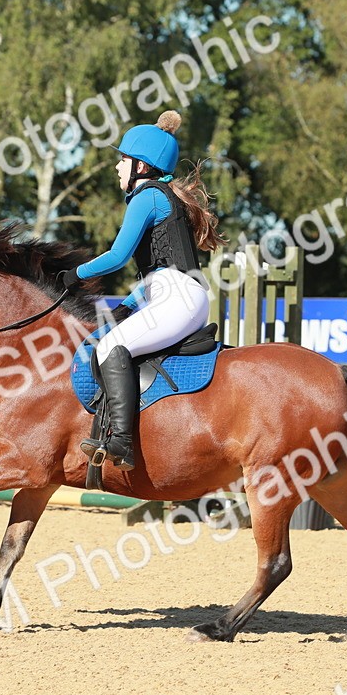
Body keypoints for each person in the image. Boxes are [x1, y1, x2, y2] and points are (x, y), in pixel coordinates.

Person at [58, 110, 225, 470]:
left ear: (142, 167)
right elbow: (159, 272)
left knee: (109, 347)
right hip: (179, 296)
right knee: (117, 340)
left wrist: (74, 274)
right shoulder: (163, 197)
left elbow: (118, 256)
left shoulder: (147, 196)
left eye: (123, 159)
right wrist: (130, 305)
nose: (118, 167)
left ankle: (120, 441)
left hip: (178, 298)